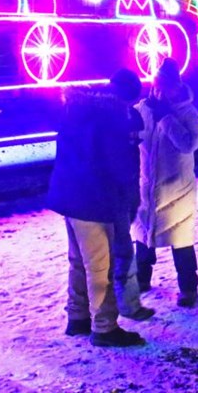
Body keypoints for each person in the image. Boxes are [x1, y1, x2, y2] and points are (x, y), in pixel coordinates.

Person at [44, 69, 150, 348]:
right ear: (125, 98)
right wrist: (128, 199)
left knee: (78, 261)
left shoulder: (78, 110)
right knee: (100, 266)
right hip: (95, 201)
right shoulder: (112, 120)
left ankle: (77, 317)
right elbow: (119, 168)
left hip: (69, 196)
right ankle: (105, 327)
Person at [132, 58, 198, 308]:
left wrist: (165, 118)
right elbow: (135, 136)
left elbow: (188, 144)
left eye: (164, 85)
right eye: (156, 85)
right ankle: (141, 279)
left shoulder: (187, 113)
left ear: (176, 86)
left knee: (181, 241)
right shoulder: (144, 109)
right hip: (148, 186)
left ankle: (188, 288)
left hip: (177, 191)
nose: (159, 90)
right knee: (142, 237)